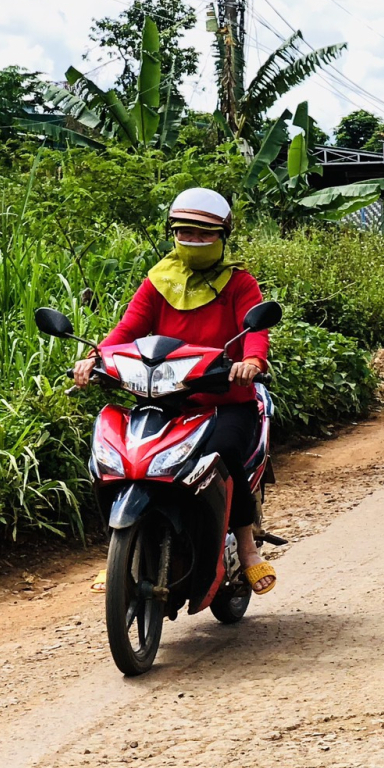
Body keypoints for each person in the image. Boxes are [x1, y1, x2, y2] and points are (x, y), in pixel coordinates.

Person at [73, 188, 278, 594]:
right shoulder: (158, 281)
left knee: (225, 454)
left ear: (223, 235)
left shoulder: (240, 284)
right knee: (116, 457)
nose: (194, 241)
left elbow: (256, 333)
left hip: (224, 401)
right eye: (185, 233)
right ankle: (118, 552)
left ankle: (247, 546)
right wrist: (96, 357)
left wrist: (251, 363)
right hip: (162, 398)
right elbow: (127, 330)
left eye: (204, 234)